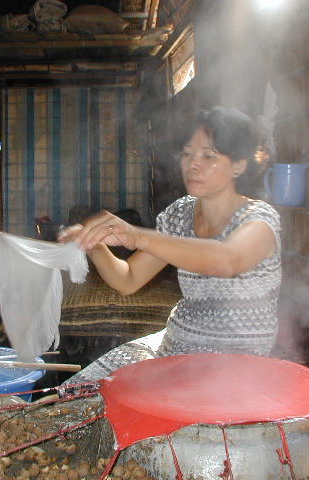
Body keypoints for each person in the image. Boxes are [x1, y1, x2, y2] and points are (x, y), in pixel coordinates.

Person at [59, 106, 281, 384]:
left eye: (208, 156)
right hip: (175, 346)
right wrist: (93, 244)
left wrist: (138, 235)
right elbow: (127, 279)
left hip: (236, 363)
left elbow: (227, 260)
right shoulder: (181, 214)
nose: (193, 164)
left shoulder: (259, 220)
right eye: (187, 154)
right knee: (81, 390)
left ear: (239, 165)